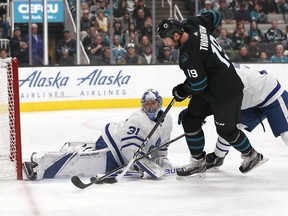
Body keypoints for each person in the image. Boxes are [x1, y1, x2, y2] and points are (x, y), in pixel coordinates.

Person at [156, 10, 266, 177]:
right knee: (190, 120)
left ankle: (252, 156)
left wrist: (182, 91)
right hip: (211, 87)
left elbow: (199, 85)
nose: (166, 44)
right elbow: (215, 15)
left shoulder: (188, 56)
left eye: (166, 39)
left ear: (176, 35)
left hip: (226, 92)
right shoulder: (192, 23)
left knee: (226, 131)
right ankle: (198, 162)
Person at [22, 89, 174, 180]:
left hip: (122, 153)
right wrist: (140, 164)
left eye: (153, 103)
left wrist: (159, 160)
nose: (151, 107)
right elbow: (129, 150)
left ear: (159, 103)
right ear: (143, 105)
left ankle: (84, 149)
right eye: (147, 104)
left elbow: (161, 146)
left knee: (89, 162)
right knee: (82, 164)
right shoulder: (138, 119)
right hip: (112, 146)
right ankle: (38, 166)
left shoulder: (167, 120)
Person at [203, 63, 288, 169]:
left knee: (286, 134)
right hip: (251, 101)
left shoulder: (225, 75)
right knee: (230, 128)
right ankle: (217, 157)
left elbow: (223, 101)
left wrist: (200, 114)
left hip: (272, 95)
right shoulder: (218, 68)